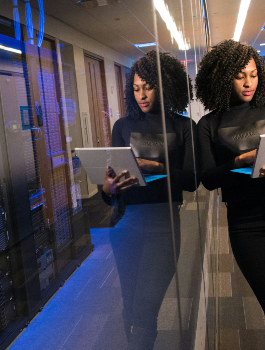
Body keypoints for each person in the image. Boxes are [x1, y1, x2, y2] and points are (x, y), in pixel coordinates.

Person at [194, 40, 265, 350]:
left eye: (254, 74)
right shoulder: (208, 124)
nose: (248, 83)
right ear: (221, 78)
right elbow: (207, 179)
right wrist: (238, 161)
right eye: (240, 75)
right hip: (246, 224)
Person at [101, 50, 197, 349]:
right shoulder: (122, 126)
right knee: (130, 305)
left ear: (164, 85)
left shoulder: (183, 127)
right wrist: (108, 188)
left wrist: (157, 168)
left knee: (145, 309)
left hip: (163, 225)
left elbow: (193, 181)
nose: (142, 95)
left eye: (149, 86)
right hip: (126, 223)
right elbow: (111, 194)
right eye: (136, 88)